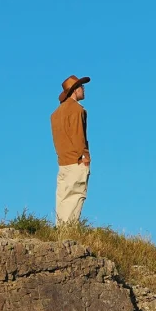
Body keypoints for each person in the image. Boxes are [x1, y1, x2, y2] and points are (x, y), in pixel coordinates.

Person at [50, 75, 91, 225]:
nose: (83, 89)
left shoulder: (55, 114)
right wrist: (85, 156)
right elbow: (78, 134)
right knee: (77, 195)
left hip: (62, 161)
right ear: (75, 90)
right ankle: (70, 231)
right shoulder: (77, 110)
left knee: (63, 197)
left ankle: (60, 229)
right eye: (81, 87)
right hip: (76, 160)